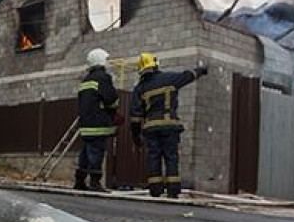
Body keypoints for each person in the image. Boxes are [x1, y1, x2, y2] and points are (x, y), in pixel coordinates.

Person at [129, 52, 207, 198]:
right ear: (156, 64)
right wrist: (201, 71)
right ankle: (173, 190)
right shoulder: (170, 78)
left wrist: (136, 137)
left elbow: (135, 116)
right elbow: (188, 76)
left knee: (154, 157)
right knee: (171, 157)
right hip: (170, 126)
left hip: (151, 129)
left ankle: (155, 190)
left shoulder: (140, 88)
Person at [74, 48, 120, 191]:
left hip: (85, 124)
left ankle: (80, 181)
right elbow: (111, 99)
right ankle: (95, 182)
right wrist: (114, 111)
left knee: (86, 153)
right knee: (96, 153)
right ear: (101, 61)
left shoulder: (85, 80)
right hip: (97, 124)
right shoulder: (103, 78)